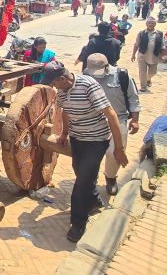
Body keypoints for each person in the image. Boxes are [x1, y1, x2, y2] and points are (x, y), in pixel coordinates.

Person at [42, 61, 127, 243]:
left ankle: (78, 223)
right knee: (81, 173)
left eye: (55, 83)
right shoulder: (63, 92)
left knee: (81, 183)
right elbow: (64, 111)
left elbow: (111, 114)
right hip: (78, 138)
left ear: (62, 78)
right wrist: (64, 132)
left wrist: (118, 148)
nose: (54, 86)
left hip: (97, 140)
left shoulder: (88, 85)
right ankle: (95, 200)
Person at [82, 53, 140, 196]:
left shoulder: (122, 76)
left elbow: (133, 98)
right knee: (89, 153)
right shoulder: (86, 75)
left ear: (107, 66)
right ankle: (90, 179)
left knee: (115, 152)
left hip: (118, 118)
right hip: (94, 120)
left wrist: (135, 120)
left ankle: (111, 177)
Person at [131, 17, 164, 90]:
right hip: (142, 55)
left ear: (155, 24)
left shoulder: (160, 34)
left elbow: (162, 46)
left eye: (152, 23)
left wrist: (161, 56)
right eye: (149, 23)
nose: (150, 24)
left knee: (153, 72)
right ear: (146, 24)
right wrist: (133, 54)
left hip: (155, 55)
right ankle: (143, 86)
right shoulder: (141, 33)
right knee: (142, 72)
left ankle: (148, 79)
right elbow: (136, 44)